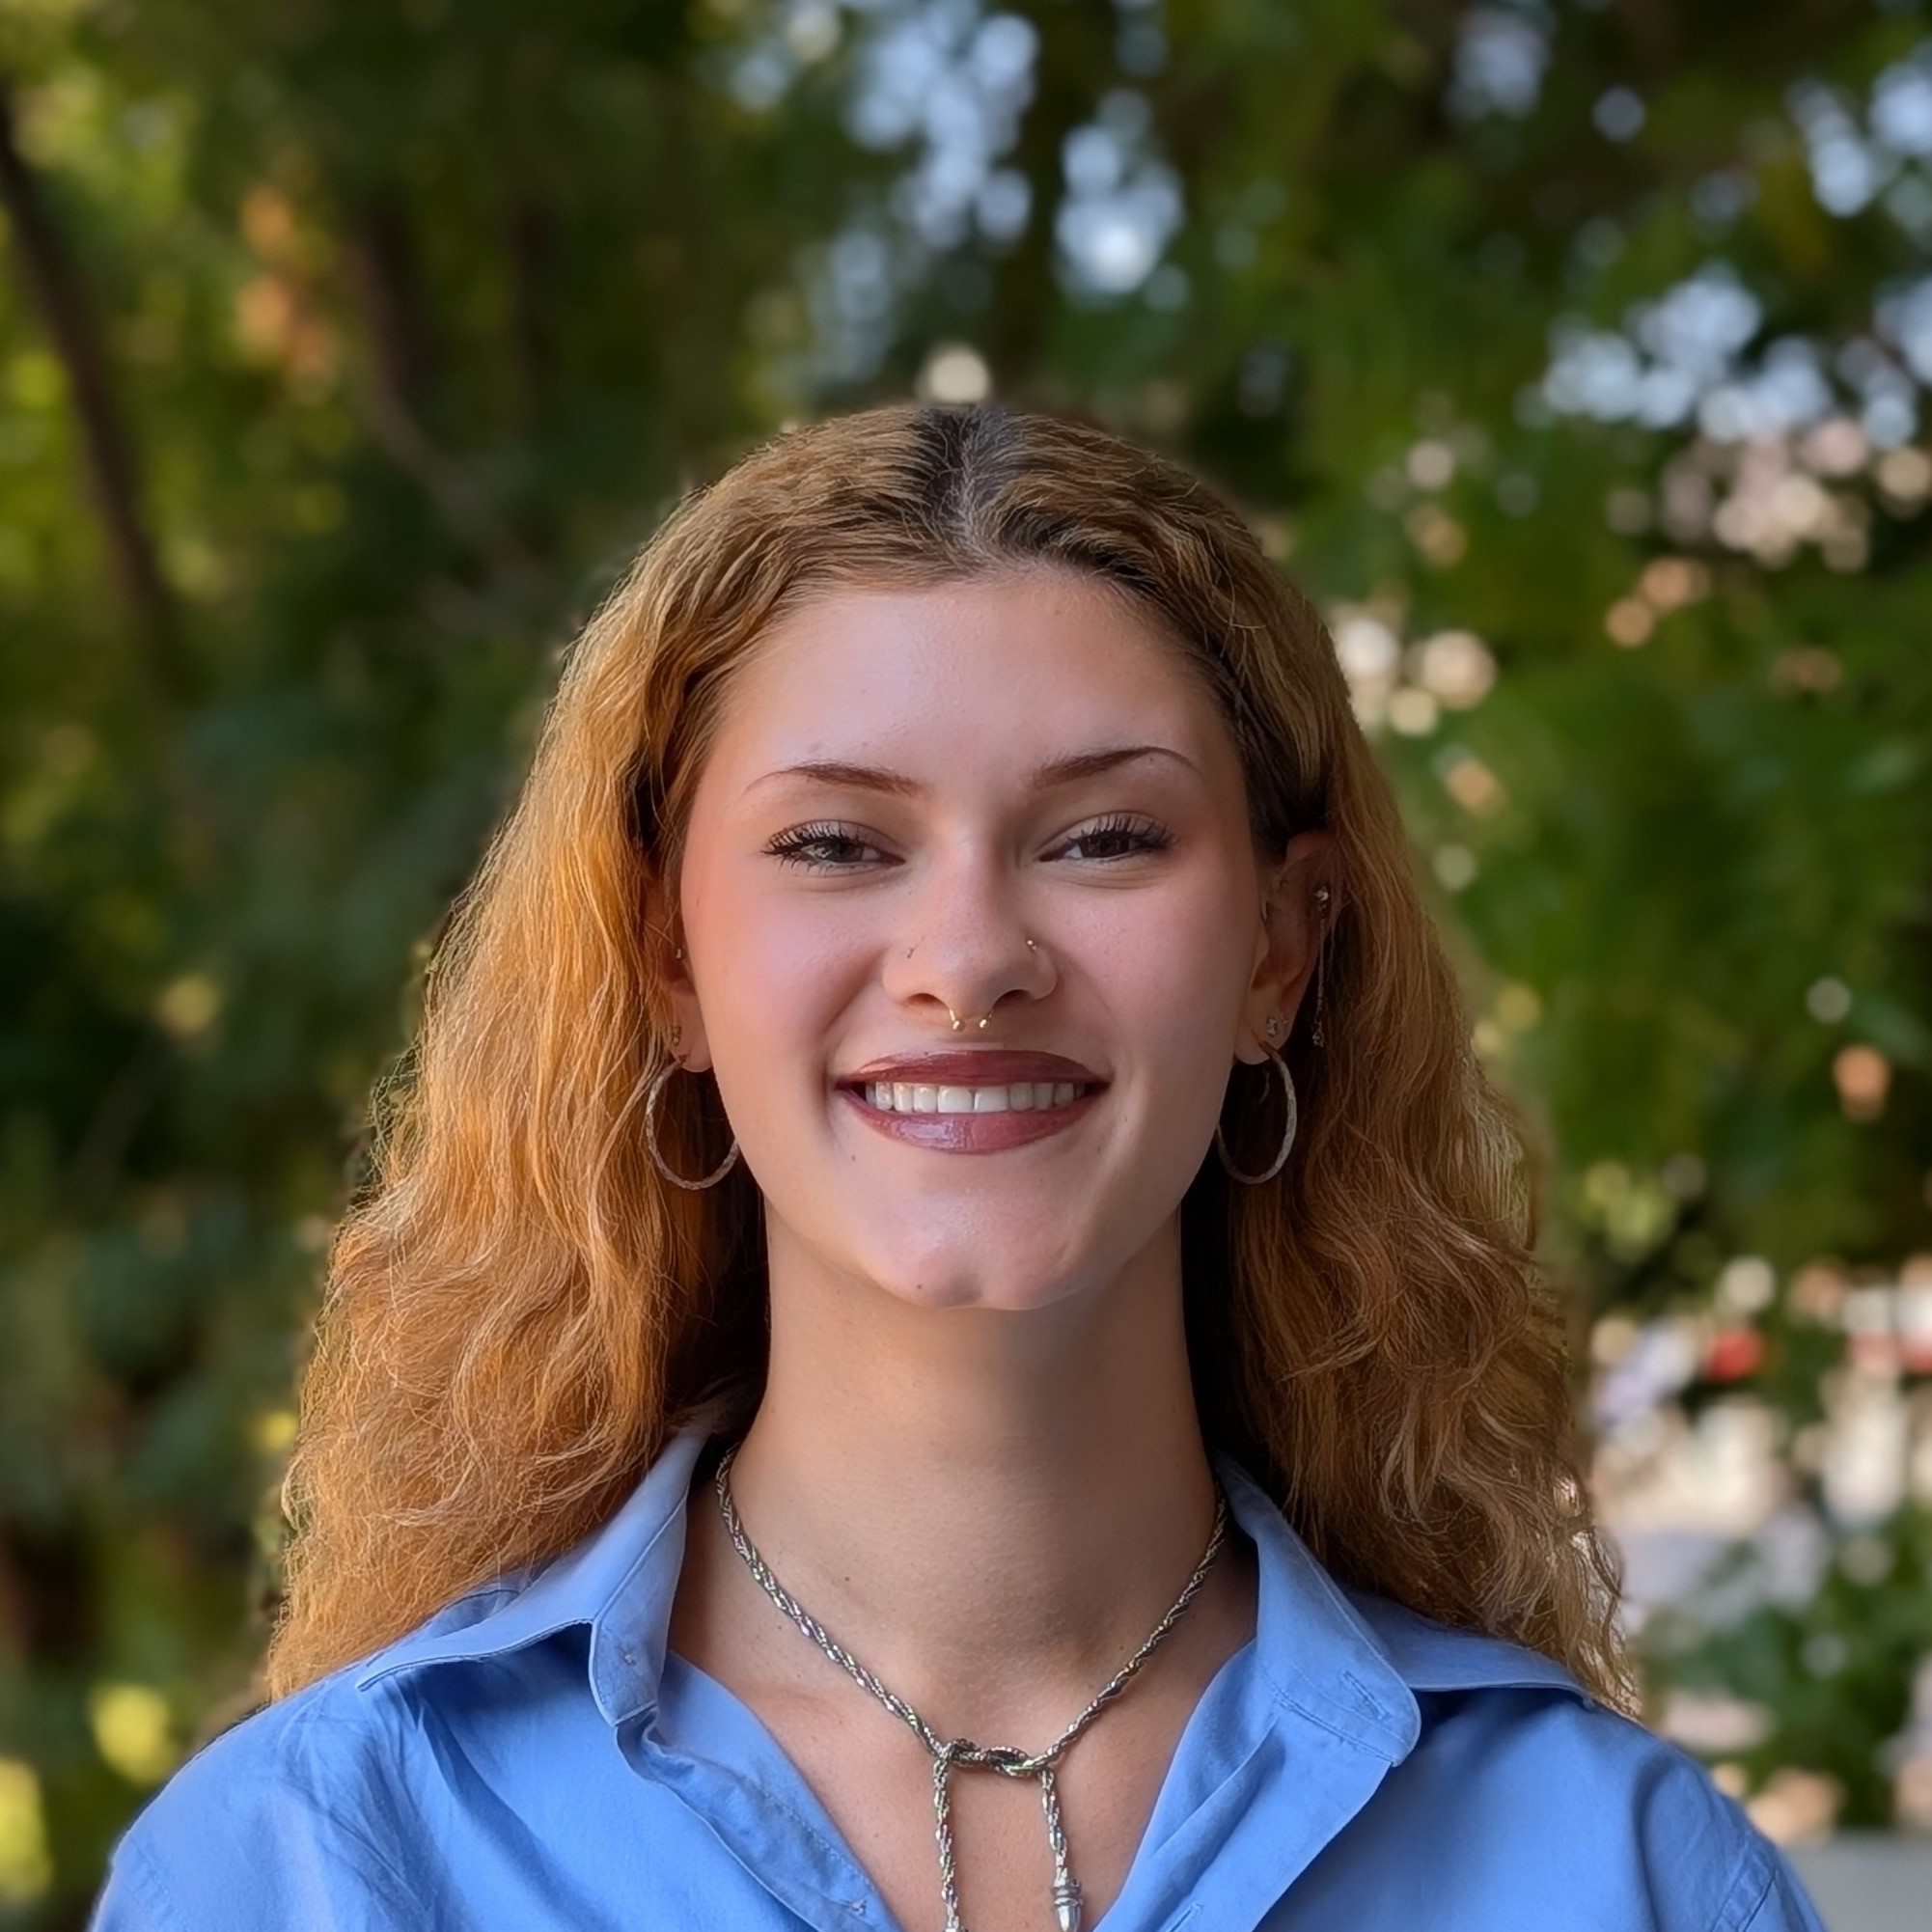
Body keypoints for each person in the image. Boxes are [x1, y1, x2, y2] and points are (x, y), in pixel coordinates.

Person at [93, 403, 1825, 1932]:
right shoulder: (321, 1864)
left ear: (1280, 954)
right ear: (667, 961)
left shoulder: (1623, 1874)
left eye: (1102, 837)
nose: (968, 955)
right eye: (836, 842)